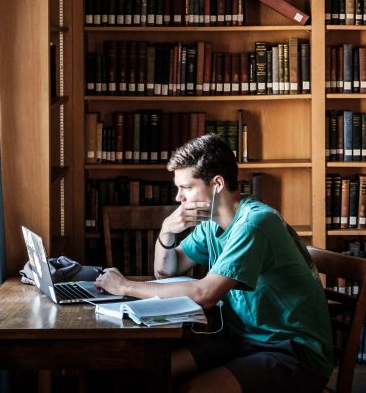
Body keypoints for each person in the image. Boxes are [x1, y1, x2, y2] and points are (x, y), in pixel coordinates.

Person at [94, 133, 333, 393]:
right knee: (152, 372)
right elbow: (168, 271)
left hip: (292, 351)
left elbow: (204, 294)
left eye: (186, 188)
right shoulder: (210, 223)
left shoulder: (254, 223)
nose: (178, 198)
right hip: (242, 339)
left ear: (217, 183)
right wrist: (166, 231)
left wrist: (125, 287)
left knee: (192, 390)